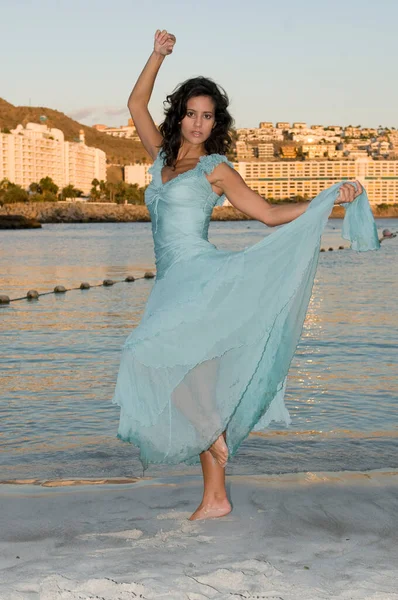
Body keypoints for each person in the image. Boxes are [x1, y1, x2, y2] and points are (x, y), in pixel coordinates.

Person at [112, 29, 379, 521]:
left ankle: (212, 443)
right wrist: (157, 55)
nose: (197, 123)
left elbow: (269, 215)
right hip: (171, 282)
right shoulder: (160, 157)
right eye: (191, 113)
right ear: (180, 116)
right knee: (190, 383)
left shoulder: (215, 168)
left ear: (217, 123)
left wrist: (327, 198)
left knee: (148, 357)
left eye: (207, 115)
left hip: (201, 278)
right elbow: (134, 102)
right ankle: (215, 497)